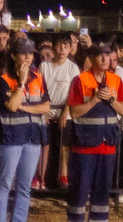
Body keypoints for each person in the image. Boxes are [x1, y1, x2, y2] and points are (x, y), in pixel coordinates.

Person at [67, 41, 123, 222]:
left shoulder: (116, 80)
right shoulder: (80, 80)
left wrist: (110, 100)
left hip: (107, 144)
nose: (104, 59)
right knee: (79, 191)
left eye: (107, 54)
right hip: (84, 145)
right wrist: (94, 101)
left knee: (102, 193)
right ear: (91, 59)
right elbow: (74, 112)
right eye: (100, 55)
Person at [0, 37, 48, 222]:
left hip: (32, 138)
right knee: (4, 184)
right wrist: (21, 83)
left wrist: (25, 108)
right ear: (14, 56)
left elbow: (46, 107)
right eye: (23, 53)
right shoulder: (4, 79)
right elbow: (12, 106)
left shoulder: (39, 77)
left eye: (30, 53)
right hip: (10, 139)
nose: (27, 57)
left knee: (24, 187)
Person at [40, 33, 82, 191]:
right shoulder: (45, 66)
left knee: (64, 145)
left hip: (66, 110)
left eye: (66, 46)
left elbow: (74, 92)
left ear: (70, 48)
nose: (62, 49)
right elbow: (41, 89)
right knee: (47, 144)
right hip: (48, 109)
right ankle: (44, 177)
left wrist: (66, 112)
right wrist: (43, 111)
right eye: (59, 45)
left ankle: (63, 176)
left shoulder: (72, 67)